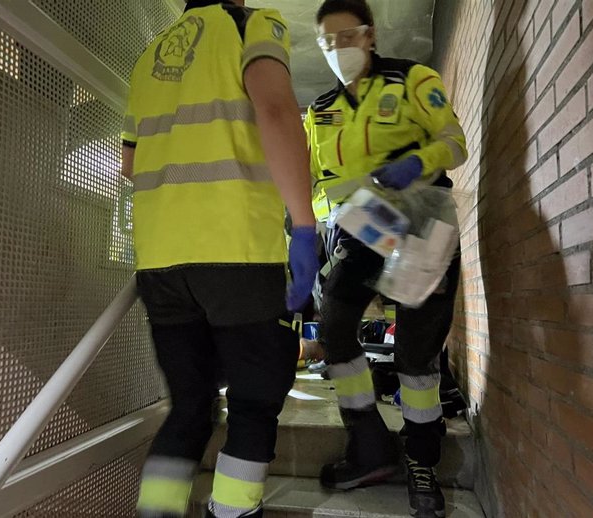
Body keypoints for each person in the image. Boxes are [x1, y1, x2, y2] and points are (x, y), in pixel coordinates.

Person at [121, 1, 318, 516]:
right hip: (238, 252)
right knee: (254, 403)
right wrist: (303, 224)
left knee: (189, 407)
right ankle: (232, 510)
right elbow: (274, 109)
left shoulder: (147, 58)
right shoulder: (250, 22)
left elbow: (130, 162)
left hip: (161, 260)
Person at [304, 1, 467, 517]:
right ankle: (370, 446)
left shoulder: (412, 79)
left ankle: (421, 462)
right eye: (327, 43)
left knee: (416, 356)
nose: (338, 50)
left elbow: (455, 142)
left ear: (370, 36)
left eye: (347, 37)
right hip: (360, 231)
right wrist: (312, 230)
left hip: (422, 223)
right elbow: (316, 184)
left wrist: (421, 160)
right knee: (333, 326)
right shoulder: (320, 110)